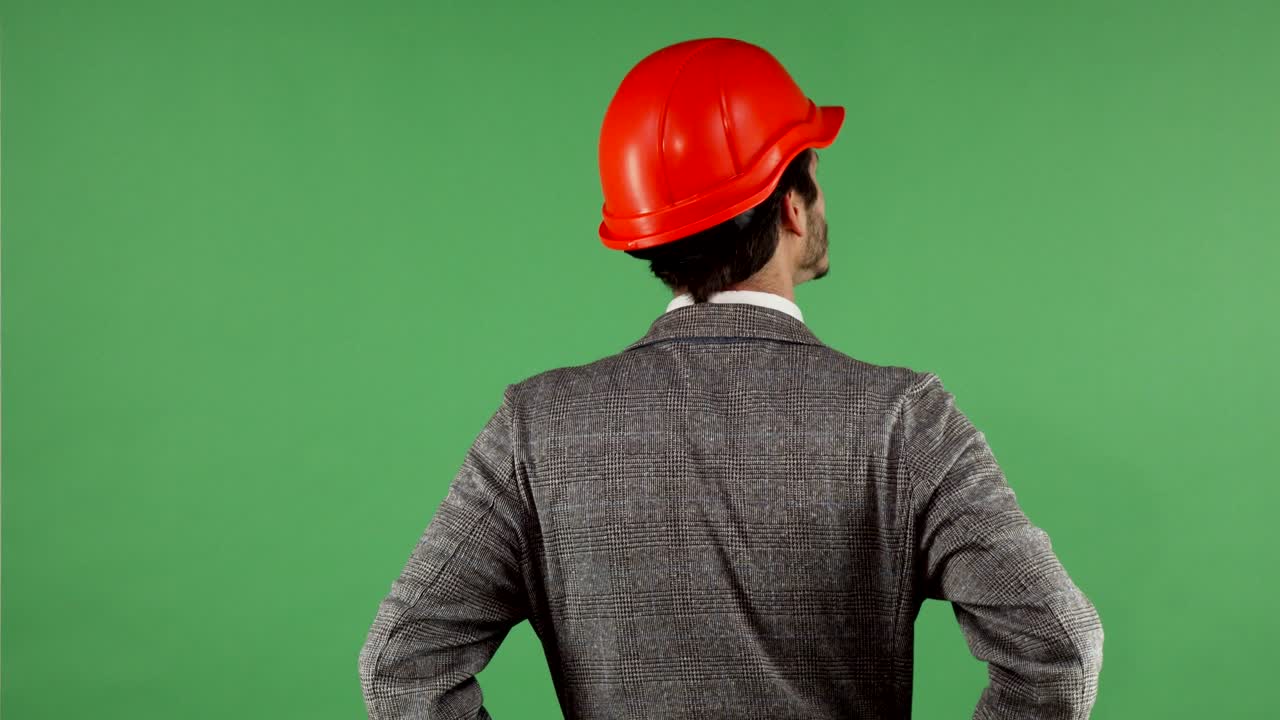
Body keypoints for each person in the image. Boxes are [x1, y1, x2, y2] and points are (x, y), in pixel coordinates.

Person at [358, 37, 1103, 719]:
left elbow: (401, 663)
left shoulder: (539, 425)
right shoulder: (902, 420)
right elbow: (1060, 646)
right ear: (791, 206)